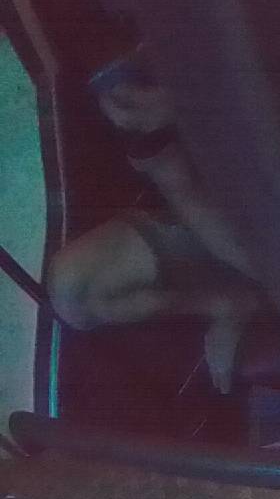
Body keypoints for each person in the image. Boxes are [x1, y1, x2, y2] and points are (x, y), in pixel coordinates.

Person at [47, 70, 260, 394]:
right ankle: (227, 300)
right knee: (73, 290)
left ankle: (252, 290)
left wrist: (180, 109)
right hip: (206, 215)